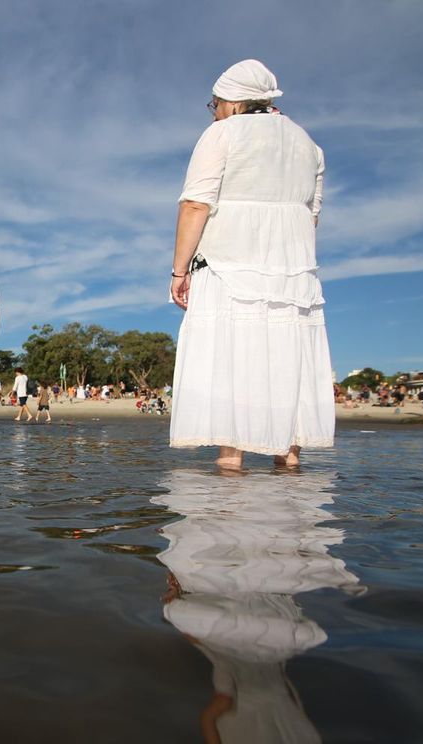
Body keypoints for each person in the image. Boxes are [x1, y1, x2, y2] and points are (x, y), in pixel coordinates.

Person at [168, 59, 333, 469]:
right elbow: (311, 217)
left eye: (216, 104)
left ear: (234, 102)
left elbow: (195, 204)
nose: (215, 111)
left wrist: (179, 270)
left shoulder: (222, 133)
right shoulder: (309, 146)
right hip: (294, 274)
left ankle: (230, 476)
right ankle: (290, 469)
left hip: (229, 266)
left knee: (233, 364)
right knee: (286, 363)